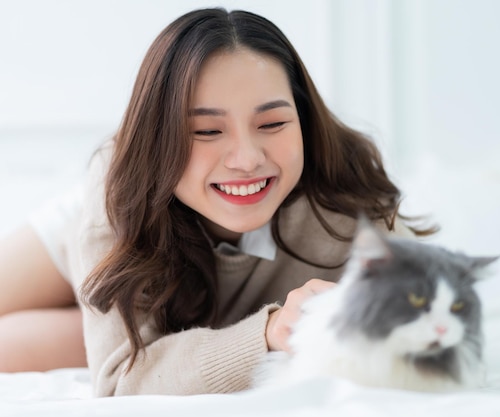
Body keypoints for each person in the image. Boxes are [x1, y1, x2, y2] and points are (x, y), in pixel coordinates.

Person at [0, 8, 433, 395]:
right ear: (158, 139)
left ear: (303, 118)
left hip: (167, 316)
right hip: (119, 245)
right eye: (207, 131)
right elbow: (119, 380)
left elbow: (427, 307)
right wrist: (268, 329)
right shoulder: (114, 191)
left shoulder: (347, 198)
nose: (247, 159)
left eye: (273, 122)